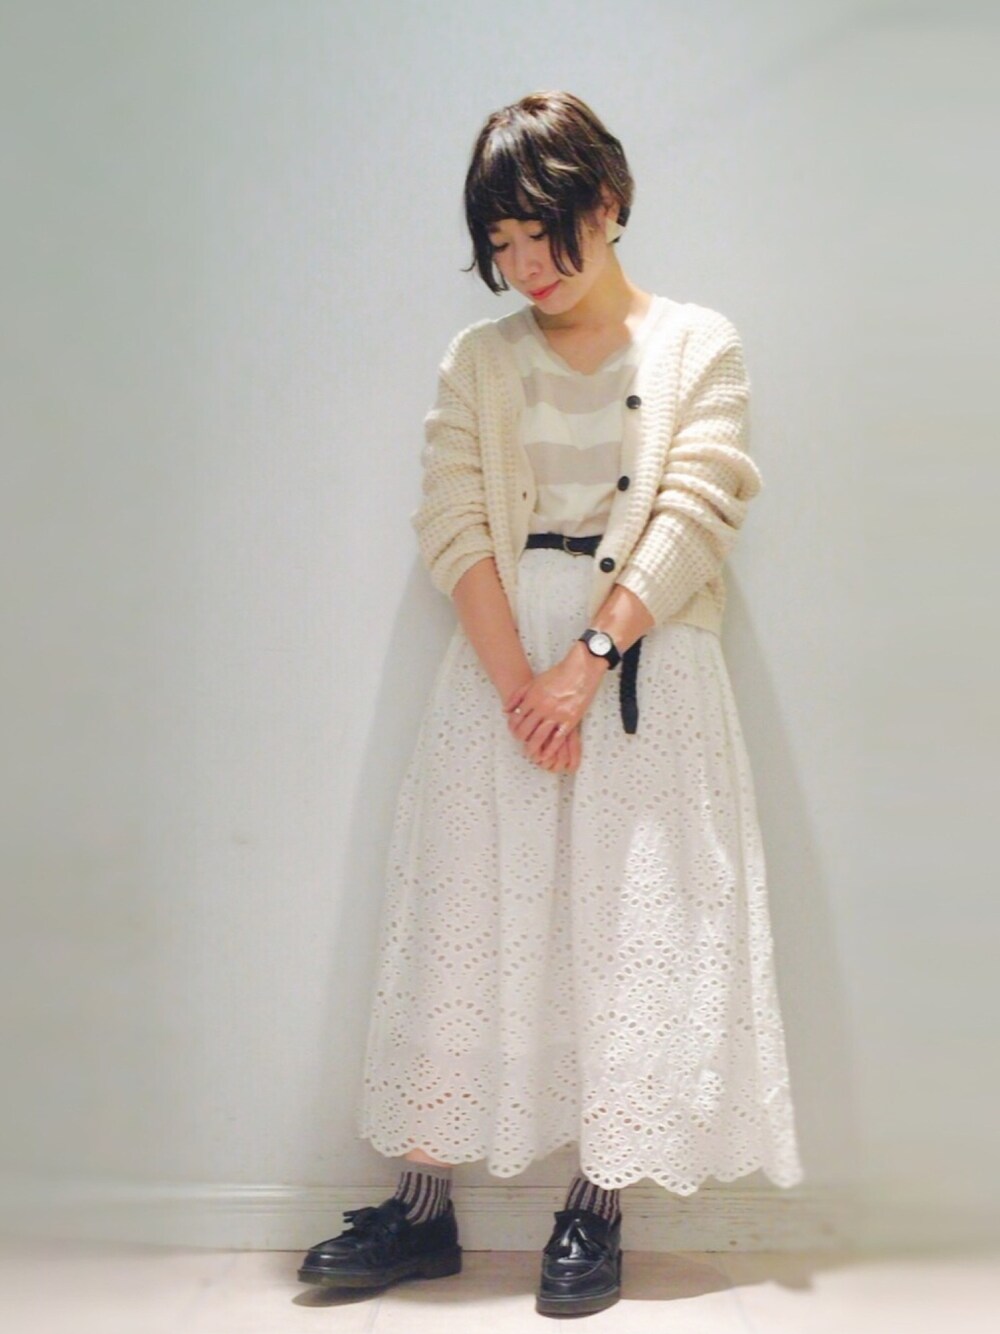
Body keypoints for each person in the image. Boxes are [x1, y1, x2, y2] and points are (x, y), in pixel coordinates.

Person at [298, 90, 804, 1317]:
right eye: (502, 244)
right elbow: (453, 518)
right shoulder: (478, 360)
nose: (525, 265)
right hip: (498, 667)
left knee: (632, 920)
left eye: (544, 233)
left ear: (609, 203)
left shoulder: (698, 345)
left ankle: (597, 1203)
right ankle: (422, 1205)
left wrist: (585, 661)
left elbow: (697, 509)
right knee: (466, 905)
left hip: (645, 665)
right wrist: (521, 685)